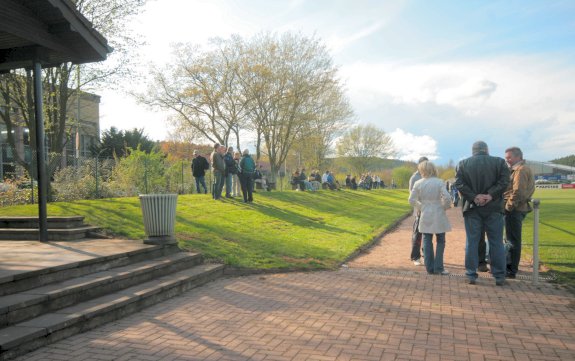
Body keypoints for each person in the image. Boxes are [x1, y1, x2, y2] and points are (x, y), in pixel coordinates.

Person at [454, 141, 510, 286]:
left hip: (472, 207)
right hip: (494, 207)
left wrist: (474, 197)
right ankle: (499, 275)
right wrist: (490, 195)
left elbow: (459, 184)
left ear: (473, 151)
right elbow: (504, 182)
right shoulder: (499, 162)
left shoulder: (463, 164)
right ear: (487, 149)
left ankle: (471, 274)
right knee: (496, 242)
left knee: (472, 242)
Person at [409, 161, 452, 275]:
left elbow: (411, 200)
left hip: (426, 212)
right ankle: (439, 267)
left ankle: (429, 268)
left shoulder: (418, 183)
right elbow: (447, 197)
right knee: (441, 240)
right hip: (438, 212)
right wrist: (444, 207)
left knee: (427, 239)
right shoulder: (439, 182)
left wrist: (422, 207)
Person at [503, 146, 535, 279]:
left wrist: (508, 207)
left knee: (513, 240)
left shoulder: (520, 170)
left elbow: (518, 192)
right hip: (517, 208)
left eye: (509, 157)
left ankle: (512, 269)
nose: (507, 160)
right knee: (511, 239)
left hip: (515, 209)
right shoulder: (520, 169)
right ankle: (510, 266)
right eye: (506, 158)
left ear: (518, 157)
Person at [408, 156, 428, 266]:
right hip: (420, 209)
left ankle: (426, 255)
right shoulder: (414, 177)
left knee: (427, 233)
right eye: (424, 164)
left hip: (429, 209)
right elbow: (412, 196)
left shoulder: (429, 176)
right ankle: (415, 256)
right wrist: (421, 207)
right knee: (417, 233)